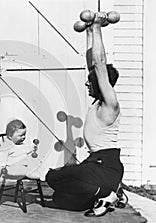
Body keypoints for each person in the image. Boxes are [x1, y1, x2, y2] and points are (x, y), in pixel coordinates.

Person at [45, 12, 124, 217]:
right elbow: (93, 64)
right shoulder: (97, 101)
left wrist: (97, 27)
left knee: (54, 177)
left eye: (91, 82)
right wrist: (89, 31)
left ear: (101, 83)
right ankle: (107, 193)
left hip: (105, 167)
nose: (86, 83)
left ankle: (109, 192)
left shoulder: (110, 104)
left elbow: (99, 64)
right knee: (59, 198)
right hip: (95, 165)